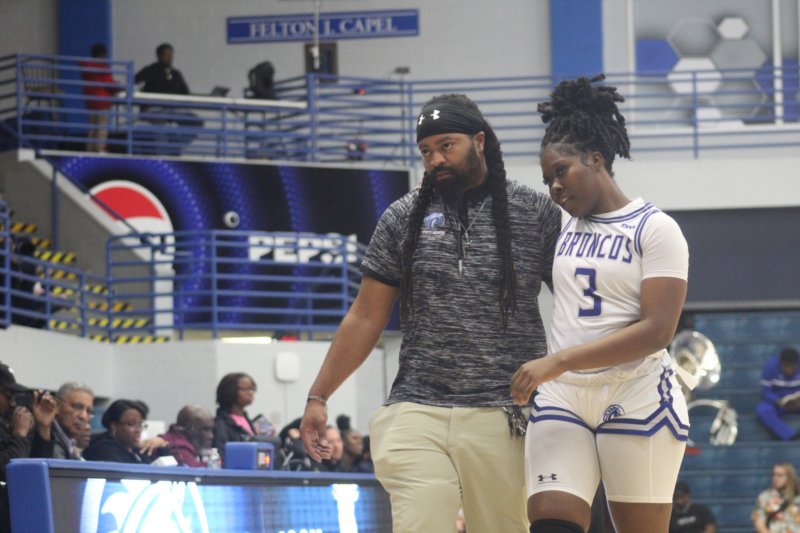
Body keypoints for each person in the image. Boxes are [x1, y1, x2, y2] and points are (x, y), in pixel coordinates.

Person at [300, 93, 562, 532]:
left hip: (504, 410)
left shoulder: (534, 212)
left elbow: (576, 302)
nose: (436, 158)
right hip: (417, 407)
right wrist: (318, 396)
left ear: (479, 141)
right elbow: (365, 317)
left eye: (447, 146)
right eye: (426, 151)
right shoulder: (402, 216)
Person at [510, 75, 690, 533]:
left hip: (636, 391)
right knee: (550, 518)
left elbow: (657, 331)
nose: (554, 186)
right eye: (547, 179)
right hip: (564, 394)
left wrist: (558, 360)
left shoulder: (655, 228)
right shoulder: (558, 225)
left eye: (561, 171)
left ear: (596, 159)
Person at [133, 43, 201, 155]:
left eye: (171, 55)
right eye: (166, 54)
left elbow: (186, 93)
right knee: (161, 124)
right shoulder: (150, 70)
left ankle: (175, 148)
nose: (170, 57)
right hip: (155, 109)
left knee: (196, 121)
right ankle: (163, 155)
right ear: (159, 55)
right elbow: (133, 82)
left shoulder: (176, 73)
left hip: (174, 109)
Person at [213, 372, 282, 462]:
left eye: (252, 389)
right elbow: (220, 454)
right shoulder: (221, 424)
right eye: (246, 389)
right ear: (230, 391)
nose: (251, 393)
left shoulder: (248, 420)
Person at [82, 399, 169, 463]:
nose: (138, 430)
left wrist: (162, 446)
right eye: (132, 424)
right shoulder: (103, 448)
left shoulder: (135, 450)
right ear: (114, 426)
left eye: (140, 424)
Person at [31, 382, 94, 460]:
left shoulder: (71, 442)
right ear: (57, 406)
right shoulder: (45, 436)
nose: (83, 416)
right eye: (77, 407)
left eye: (89, 411)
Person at [79, 43, 121, 152]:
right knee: (102, 127)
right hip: (102, 101)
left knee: (92, 127)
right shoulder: (102, 67)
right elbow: (109, 84)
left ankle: (90, 149)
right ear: (103, 54)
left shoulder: (86, 67)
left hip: (91, 101)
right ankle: (100, 149)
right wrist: (119, 87)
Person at [756, 347, 800, 441]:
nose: (788, 370)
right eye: (785, 366)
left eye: (791, 367)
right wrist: (778, 401)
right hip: (777, 401)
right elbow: (766, 392)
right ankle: (790, 436)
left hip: (797, 400)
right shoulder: (769, 366)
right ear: (780, 363)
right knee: (762, 409)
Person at [753, 463, 800, 533]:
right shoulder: (765, 497)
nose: (775, 478)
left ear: (790, 478)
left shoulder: (797, 498)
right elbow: (759, 524)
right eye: (774, 475)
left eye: (780, 475)